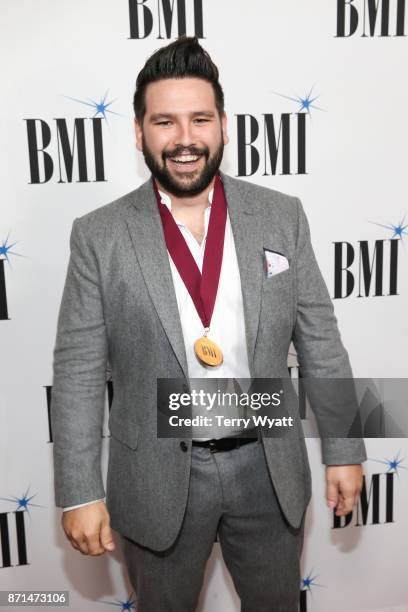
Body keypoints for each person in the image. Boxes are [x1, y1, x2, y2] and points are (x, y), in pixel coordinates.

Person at [51, 36, 366, 612]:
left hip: (268, 466)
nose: (184, 138)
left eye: (199, 119)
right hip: (156, 475)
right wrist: (77, 491)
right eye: (164, 122)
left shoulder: (281, 215)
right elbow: (76, 371)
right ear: (139, 132)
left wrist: (343, 449)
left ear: (223, 125)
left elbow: (322, 341)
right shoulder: (98, 235)